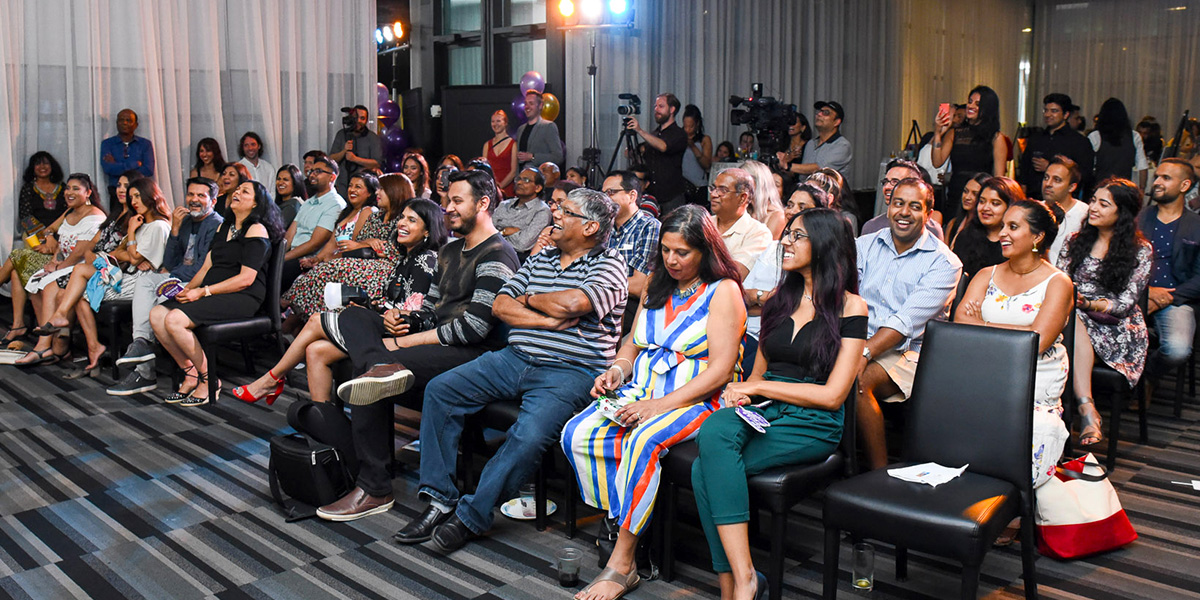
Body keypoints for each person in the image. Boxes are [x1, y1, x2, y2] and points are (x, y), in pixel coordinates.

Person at [389, 188, 626, 554]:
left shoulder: (610, 263)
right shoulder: (541, 258)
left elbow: (577, 302)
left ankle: (472, 516)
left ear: (591, 227)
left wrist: (528, 301)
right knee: (441, 390)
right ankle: (439, 498)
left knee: (528, 435)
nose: (555, 215)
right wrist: (545, 319)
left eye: (565, 212)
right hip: (514, 357)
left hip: (571, 370)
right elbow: (500, 305)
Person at [311, 171, 519, 523]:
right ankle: (379, 365)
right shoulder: (452, 250)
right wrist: (403, 319)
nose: (447, 208)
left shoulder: (497, 254)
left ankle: (374, 487)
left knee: (365, 374)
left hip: (475, 353)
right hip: (438, 342)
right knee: (354, 316)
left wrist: (403, 340)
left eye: (457, 201)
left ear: (483, 204)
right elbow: (431, 310)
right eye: (447, 200)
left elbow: (475, 327)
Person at [561, 205, 745, 600]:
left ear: (706, 250)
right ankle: (625, 518)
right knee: (577, 433)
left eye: (683, 252)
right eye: (665, 250)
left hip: (698, 398)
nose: (672, 260)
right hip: (643, 388)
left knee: (643, 440)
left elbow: (720, 371)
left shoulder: (722, 291)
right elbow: (631, 342)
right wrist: (618, 371)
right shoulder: (655, 284)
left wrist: (658, 407)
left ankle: (623, 561)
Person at [693, 207, 867, 600]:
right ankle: (745, 579)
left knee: (705, 471)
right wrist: (742, 391)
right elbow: (757, 377)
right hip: (767, 410)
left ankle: (734, 587)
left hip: (814, 422)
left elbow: (833, 395)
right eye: (787, 233)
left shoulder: (851, 307)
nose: (785, 241)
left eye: (798, 235)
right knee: (717, 427)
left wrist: (763, 390)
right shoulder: (776, 300)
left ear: (825, 245)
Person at [233, 197, 448, 406]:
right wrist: (368, 307)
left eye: (412, 220)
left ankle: (271, 379)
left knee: (317, 320)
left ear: (428, 230)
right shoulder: (406, 258)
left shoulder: (424, 259)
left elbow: (411, 313)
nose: (401, 223)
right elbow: (392, 303)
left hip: (397, 334)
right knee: (315, 350)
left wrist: (373, 315)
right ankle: (325, 425)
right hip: (382, 325)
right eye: (402, 217)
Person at [955, 199, 1073, 490]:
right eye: (1003, 226)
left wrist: (982, 325)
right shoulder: (986, 274)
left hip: (1033, 379)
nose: (1002, 233)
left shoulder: (1058, 283)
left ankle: (1013, 501)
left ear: (1037, 236)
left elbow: (1037, 340)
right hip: (983, 370)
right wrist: (1021, 330)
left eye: (1013, 227)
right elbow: (959, 324)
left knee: (1029, 429)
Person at [856, 178, 962, 470]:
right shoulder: (863, 245)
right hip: (857, 339)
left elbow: (906, 322)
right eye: (898, 204)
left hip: (910, 352)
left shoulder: (944, 263)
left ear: (928, 214)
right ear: (888, 208)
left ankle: (879, 474)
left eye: (915, 207)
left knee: (859, 383)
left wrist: (863, 353)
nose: (904, 212)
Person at [150, 180, 284, 407]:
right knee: (156, 314)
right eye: (237, 190)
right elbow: (205, 268)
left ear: (255, 203)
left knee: (174, 320)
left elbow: (246, 279)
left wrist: (203, 292)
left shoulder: (256, 229)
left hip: (243, 297)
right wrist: (189, 289)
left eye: (244, 192)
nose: (237, 193)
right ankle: (190, 372)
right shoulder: (225, 227)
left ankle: (208, 380)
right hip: (212, 292)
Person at [32, 178, 171, 372]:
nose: (134, 202)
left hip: (142, 281)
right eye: (132, 198)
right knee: (74, 286)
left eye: (138, 196)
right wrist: (130, 252)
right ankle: (91, 345)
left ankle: (64, 323)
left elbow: (134, 258)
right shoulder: (139, 221)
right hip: (123, 272)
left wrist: (130, 236)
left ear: (151, 196)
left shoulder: (155, 225)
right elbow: (120, 253)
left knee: (75, 284)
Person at [108, 177, 224, 396]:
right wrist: (176, 229)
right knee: (145, 278)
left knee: (159, 304)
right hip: (178, 277)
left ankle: (148, 371)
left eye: (201, 196)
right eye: (191, 194)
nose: (194, 200)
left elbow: (202, 268)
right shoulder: (187, 221)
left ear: (214, 201)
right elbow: (170, 261)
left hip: (198, 283)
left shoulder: (216, 225)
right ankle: (141, 342)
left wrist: (172, 275)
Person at [1058, 178, 1151, 446]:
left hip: (1116, 327)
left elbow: (1125, 304)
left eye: (1103, 203)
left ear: (1122, 212)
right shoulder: (1075, 241)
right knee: (1067, 318)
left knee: (1074, 319)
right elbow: (1061, 282)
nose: (1093, 208)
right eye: (1093, 200)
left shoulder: (1140, 250)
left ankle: (1086, 408)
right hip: (1072, 314)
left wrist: (1088, 303)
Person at [283, 173, 413, 320]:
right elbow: (358, 244)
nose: (378, 192)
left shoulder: (402, 219)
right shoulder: (375, 217)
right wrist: (368, 242)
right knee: (326, 270)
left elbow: (393, 250)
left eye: (382, 189)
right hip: (362, 260)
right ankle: (308, 315)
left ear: (394, 191)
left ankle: (302, 312)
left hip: (386, 267)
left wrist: (370, 246)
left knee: (331, 270)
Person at [13, 174, 107, 364]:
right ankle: (53, 341)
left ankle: (43, 345)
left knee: (48, 285)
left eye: (75, 189)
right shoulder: (69, 213)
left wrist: (58, 267)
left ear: (88, 193)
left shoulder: (94, 216)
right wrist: (53, 257)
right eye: (68, 188)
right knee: (34, 283)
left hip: (84, 267)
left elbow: (80, 251)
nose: (69, 193)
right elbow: (59, 240)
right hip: (66, 264)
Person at [1137, 158, 1199, 398]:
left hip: (1177, 299)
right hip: (1135, 295)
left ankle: (1148, 378)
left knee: (1177, 350)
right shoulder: (1139, 218)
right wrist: (1147, 292)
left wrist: (1167, 298)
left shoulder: (1196, 225)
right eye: (1157, 177)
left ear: (1184, 185)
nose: (1158, 182)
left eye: (1166, 178)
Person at [742, 185, 822, 350]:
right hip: (745, 330)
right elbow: (742, 297)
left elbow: (794, 306)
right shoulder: (772, 248)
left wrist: (761, 300)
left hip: (778, 339)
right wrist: (764, 297)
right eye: (790, 205)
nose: (792, 211)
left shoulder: (816, 255)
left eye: (802, 207)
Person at [1, 152, 66, 344]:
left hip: (57, 241)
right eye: (38, 164)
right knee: (17, 266)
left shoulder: (63, 189)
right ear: (32, 169)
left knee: (15, 270)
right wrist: (42, 242)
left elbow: (67, 219)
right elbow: (26, 218)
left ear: (53, 166)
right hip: (35, 239)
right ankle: (18, 325)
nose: (43, 167)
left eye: (46, 163)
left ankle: (18, 326)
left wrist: (52, 241)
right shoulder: (29, 189)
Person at [933, 85, 1007, 219]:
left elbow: (998, 179)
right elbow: (937, 162)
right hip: (957, 194)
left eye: (977, 104)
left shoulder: (996, 138)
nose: (970, 106)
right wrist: (938, 133)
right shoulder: (955, 133)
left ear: (987, 109)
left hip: (981, 197)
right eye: (970, 101)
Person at [283, 155, 346, 287]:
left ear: (332, 177)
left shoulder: (335, 204)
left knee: (278, 271)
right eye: (312, 171)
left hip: (307, 260)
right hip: (291, 256)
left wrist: (283, 258)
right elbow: (290, 235)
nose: (312, 175)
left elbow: (315, 243)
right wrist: (278, 255)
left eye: (318, 171)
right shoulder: (308, 202)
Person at [1018, 93, 1095, 199]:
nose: (1048, 115)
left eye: (1054, 111)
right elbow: (1024, 169)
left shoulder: (1079, 142)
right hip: (1034, 198)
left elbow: (1085, 174)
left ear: (1066, 114)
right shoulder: (1036, 138)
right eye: (1046, 110)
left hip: (1064, 201)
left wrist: (1050, 167)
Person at [600, 171, 660, 301]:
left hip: (632, 305)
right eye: (603, 194)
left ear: (632, 196)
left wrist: (596, 283)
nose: (605, 199)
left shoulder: (649, 227)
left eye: (610, 192)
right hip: (603, 300)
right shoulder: (605, 227)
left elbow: (639, 286)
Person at [627, 93, 688, 214]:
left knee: (672, 229)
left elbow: (663, 146)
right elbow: (637, 154)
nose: (656, 110)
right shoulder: (654, 134)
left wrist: (639, 130)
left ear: (672, 109)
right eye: (655, 106)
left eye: (661, 106)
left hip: (671, 196)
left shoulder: (679, 133)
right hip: (652, 195)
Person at [708, 168, 773, 280]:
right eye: (713, 188)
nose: (714, 194)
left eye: (723, 190)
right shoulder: (704, 223)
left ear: (743, 198)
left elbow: (735, 274)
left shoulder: (758, 233)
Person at [953, 176, 1023, 278]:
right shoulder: (966, 236)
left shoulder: (1019, 241)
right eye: (982, 201)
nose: (985, 208)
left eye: (995, 203)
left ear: (1010, 207)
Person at [859, 159, 944, 239]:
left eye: (895, 182)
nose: (887, 187)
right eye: (885, 182)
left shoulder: (931, 229)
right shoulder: (872, 227)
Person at [1089, 98, 1149, 190]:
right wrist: (1142, 189)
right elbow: (1142, 166)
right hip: (1125, 189)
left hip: (1100, 188)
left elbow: (1089, 166)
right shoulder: (1134, 136)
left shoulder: (1095, 136)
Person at [492, 167, 551, 254]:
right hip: (491, 250)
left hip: (516, 258)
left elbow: (522, 244)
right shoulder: (504, 204)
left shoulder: (542, 211)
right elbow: (486, 232)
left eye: (526, 180)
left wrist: (497, 234)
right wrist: (505, 232)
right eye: (518, 179)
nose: (519, 182)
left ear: (538, 188)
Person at [785, 101, 852, 177]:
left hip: (827, 188)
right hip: (805, 186)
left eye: (826, 113)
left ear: (836, 122)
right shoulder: (811, 143)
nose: (819, 114)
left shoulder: (842, 145)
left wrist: (786, 165)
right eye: (819, 111)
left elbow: (820, 168)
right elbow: (803, 173)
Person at [99, 109, 155, 200]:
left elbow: (148, 170)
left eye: (128, 120)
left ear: (136, 125)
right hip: (116, 192)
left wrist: (117, 165)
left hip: (139, 192)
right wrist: (135, 164)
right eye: (121, 120)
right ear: (116, 123)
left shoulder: (145, 144)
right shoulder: (107, 144)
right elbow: (108, 168)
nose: (124, 123)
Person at [328, 105, 383, 197]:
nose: (358, 121)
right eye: (356, 118)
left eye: (362, 118)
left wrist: (355, 159)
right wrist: (344, 151)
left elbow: (376, 163)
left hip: (364, 187)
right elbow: (331, 160)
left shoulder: (372, 137)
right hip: (343, 185)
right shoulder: (342, 134)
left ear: (366, 120)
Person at [1042, 156, 1087, 263]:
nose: (1048, 184)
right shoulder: (1034, 210)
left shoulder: (1085, 214)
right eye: (1046, 177)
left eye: (1057, 180)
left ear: (1072, 187)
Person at [515, 90, 565, 169]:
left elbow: (558, 157)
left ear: (540, 105)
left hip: (541, 179)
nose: (527, 107)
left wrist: (532, 157)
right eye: (525, 104)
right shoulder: (520, 130)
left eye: (531, 103)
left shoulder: (549, 126)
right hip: (523, 178)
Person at [740, 160, 786, 239]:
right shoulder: (745, 210)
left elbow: (766, 249)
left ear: (757, 183)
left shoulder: (777, 216)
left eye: (741, 182)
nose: (738, 187)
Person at [943, 172, 990, 248]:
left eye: (975, 194)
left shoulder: (987, 229)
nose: (967, 197)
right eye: (965, 191)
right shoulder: (953, 224)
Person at [483, 110, 518, 197]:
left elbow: (513, 171)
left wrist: (500, 187)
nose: (495, 124)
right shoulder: (487, 145)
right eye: (493, 121)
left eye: (498, 121)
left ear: (505, 123)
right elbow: (484, 170)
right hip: (491, 190)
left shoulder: (513, 144)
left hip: (507, 191)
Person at [682, 104, 714, 188]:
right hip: (681, 186)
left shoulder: (705, 139)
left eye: (691, 126)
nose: (687, 130)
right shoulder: (679, 137)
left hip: (699, 185)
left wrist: (693, 147)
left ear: (697, 124)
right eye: (685, 126)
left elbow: (707, 165)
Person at [273, 164, 308, 228]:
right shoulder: (282, 204)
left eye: (285, 179)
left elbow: (275, 229)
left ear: (295, 183)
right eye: (278, 179)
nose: (280, 182)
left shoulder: (292, 205)